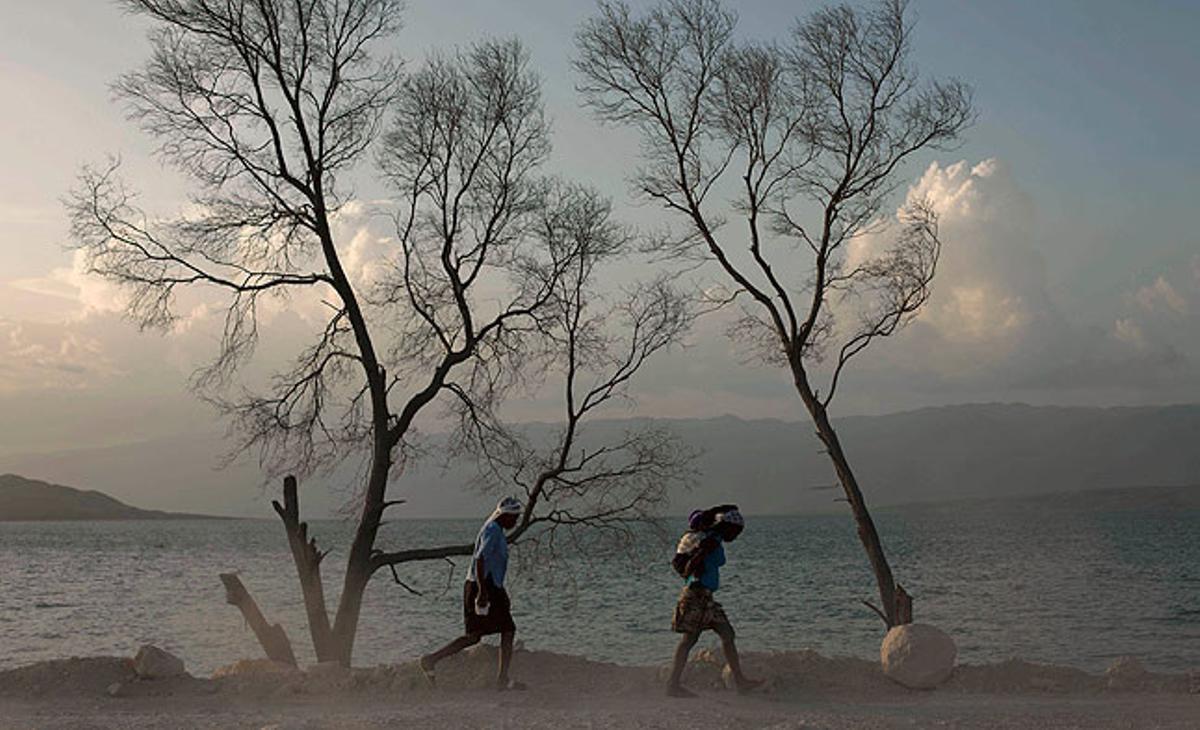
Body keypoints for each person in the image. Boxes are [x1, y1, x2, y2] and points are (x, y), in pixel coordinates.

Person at [419, 496, 526, 691]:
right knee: (480, 635)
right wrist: (483, 592)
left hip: (491, 586)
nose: (516, 521)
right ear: (505, 516)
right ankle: (431, 660)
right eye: (514, 517)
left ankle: (501, 678)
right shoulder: (492, 530)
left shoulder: (496, 530)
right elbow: (480, 559)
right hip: (481, 586)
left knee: (500, 631)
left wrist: (499, 590)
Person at [666, 507, 764, 697]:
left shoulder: (713, 540)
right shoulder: (707, 541)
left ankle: (740, 682)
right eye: (734, 532)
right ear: (726, 527)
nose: (735, 536)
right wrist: (698, 560)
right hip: (696, 596)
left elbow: (728, 508)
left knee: (727, 634)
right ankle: (672, 685)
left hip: (706, 598)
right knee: (689, 640)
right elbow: (690, 565)